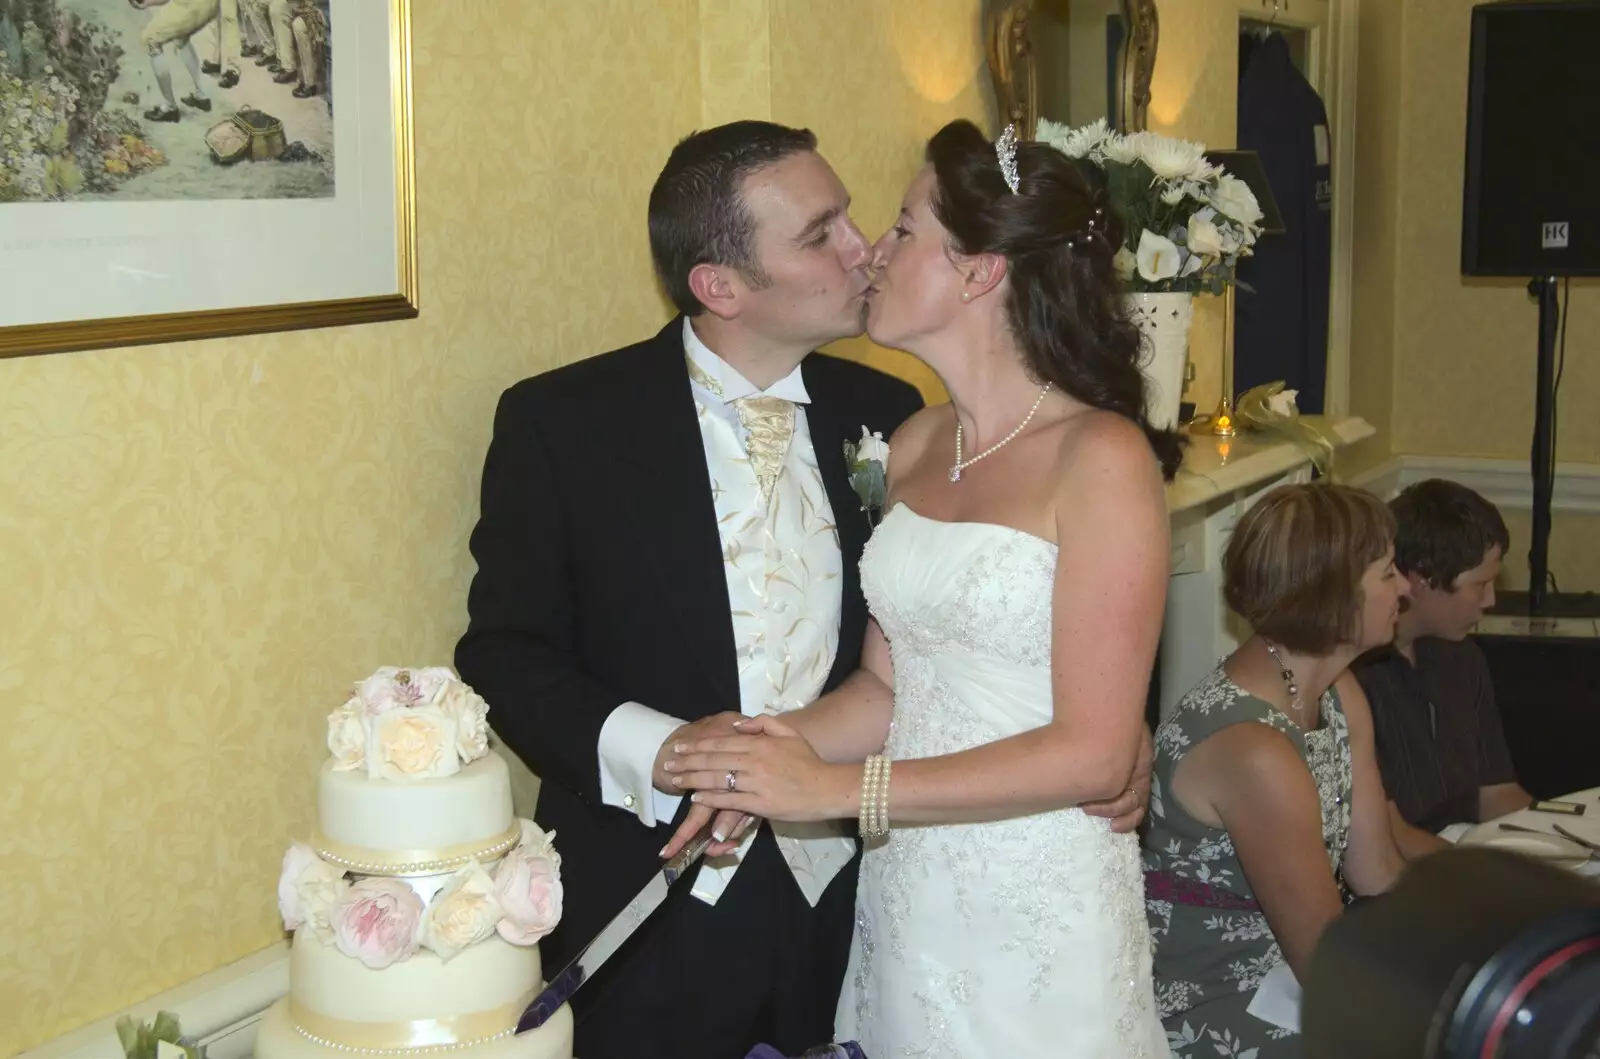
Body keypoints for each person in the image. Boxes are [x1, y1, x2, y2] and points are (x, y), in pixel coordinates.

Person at [454, 120, 1149, 1059]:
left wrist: (1106, 730)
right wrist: (690, 758)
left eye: (874, 222)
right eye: (822, 233)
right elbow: (503, 650)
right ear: (722, 285)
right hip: (666, 897)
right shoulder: (565, 424)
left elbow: (1033, 654)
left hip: (867, 888)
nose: (864, 249)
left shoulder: (885, 416)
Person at [660, 119, 1173, 1058]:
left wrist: (835, 787)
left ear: (979, 271)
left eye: (901, 227)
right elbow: (890, 687)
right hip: (910, 892)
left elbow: (1098, 756)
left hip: (1038, 892)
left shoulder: (1101, 459)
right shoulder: (913, 442)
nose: (874, 253)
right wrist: (762, 757)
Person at [1145, 483, 1408, 1058]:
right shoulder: (1254, 752)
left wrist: (1490, 906)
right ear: (1332, 596)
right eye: (1389, 574)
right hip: (1220, 1001)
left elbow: (1376, 870)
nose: (1405, 588)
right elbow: (1324, 962)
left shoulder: (1339, 693)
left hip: (1291, 976)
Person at [1354, 479, 1529, 856]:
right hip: (1407, 881)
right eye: (1479, 583)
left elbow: (1496, 792)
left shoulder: (1464, 660)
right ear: (1421, 578)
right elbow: (1388, 838)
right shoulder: (1356, 681)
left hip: (1460, 861)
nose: (1491, 599)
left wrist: (1557, 847)